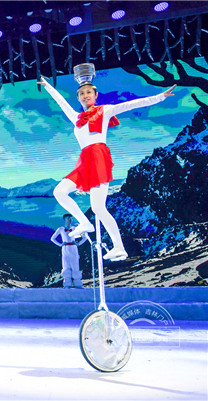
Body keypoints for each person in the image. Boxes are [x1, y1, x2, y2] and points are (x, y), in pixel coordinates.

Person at [38, 72, 176, 261]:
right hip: (84, 161)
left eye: (89, 92)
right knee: (60, 192)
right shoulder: (77, 118)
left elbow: (132, 104)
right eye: (81, 94)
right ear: (78, 98)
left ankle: (119, 247)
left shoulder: (105, 111)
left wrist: (160, 97)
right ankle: (85, 223)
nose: (85, 96)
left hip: (98, 158)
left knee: (98, 208)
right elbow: (61, 103)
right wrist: (48, 86)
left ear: (95, 95)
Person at [50, 213, 88, 289]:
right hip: (65, 248)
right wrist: (60, 244)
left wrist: (78, 244)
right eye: (68, 218)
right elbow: (52, 238)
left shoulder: (75, 228)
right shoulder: (61, 229)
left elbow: (85, 237)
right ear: (65, 219)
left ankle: (77, 283)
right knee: (66, 264)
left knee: (75, 264)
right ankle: (67, 284)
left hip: (73, 248)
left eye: (71, 218)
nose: (70, 219)